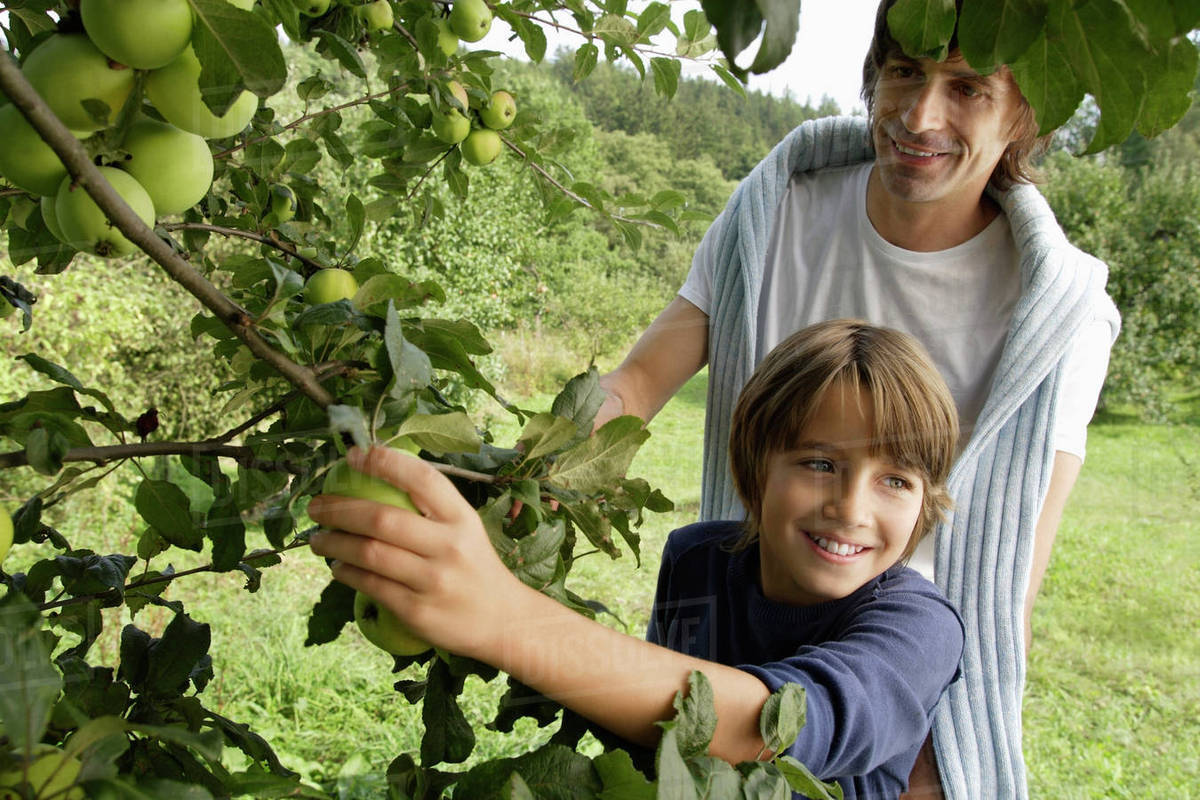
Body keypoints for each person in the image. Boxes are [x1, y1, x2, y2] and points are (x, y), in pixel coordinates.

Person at [591, 2, 1120, 798]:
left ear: (1022, 117)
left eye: (969, 88)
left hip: (894, 678)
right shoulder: (775, 212)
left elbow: (1015, 575)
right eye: (904, 72)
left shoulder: (1061, 309)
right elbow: (634, 385)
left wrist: (936, 768)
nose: (919, 114)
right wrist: (528, 474)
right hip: (756, 597)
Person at [308, 319, 966, 800]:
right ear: (755, 465)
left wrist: (504, 617)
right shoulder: (696, 559)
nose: (852, 508)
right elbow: (654, 733)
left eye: (896, 481)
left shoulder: (920, 629)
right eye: (820, 463)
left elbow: (763, 727)